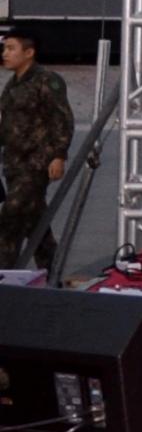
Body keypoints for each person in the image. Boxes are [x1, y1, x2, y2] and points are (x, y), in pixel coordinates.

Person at [0, 25, 77, 275]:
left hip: (36, 163)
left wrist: (58, 155)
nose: (5, 53)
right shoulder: (12, 85)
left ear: (29, 52)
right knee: (36, 223)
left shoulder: (47, 81)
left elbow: (62, 119)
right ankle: (52, 274)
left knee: (10, 216)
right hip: (14, 164)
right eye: (5, 48)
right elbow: (9, 126)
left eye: (11, 48)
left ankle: (4, 275)